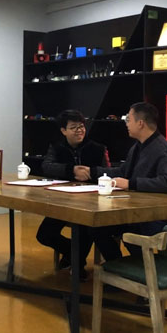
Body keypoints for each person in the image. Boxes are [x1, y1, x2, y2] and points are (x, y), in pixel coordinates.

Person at [91, 101, 167, 261]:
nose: (126, 123)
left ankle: (136, 266)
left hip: (157, 215)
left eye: (128, 119)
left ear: (140, 123)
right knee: (96, 227)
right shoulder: (138, 146)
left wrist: (130, 184)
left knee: (122, 228)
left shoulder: (165, 150)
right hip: (137, 211)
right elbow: (123, 172)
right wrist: (91, 172)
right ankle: (119, 265)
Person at [37, 110, 110, 277]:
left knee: (85, 229)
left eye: (81, 126)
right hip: (63, 201)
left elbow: (107, 172)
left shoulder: (98, 148)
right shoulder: (57, 147)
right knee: (44, 234)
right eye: (73, 127)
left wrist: (91, 173)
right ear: (63, 131)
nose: (79, 130)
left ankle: (77, 265)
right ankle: (72, 253)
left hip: (91, 203)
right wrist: (71, 170)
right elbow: (47, 166)